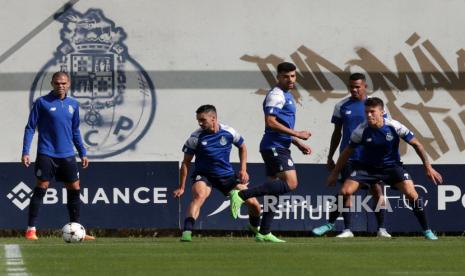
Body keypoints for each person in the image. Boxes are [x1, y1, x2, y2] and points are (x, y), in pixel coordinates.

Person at [322, 97, 443, 240]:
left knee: (412, 194)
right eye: (366, 112)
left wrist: (428, 168)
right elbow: (346, 152)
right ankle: (330, 224)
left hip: (392, 167)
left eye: (372, 112)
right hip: (367, 168)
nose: (368, 115)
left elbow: (417, 145)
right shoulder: (360, 130)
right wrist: (334, 173)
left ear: (382, 112)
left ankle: (427, 230)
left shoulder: (394, 126)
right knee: (344, 191)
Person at [229, 62, 312, 243]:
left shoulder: (287, 95)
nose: (290, 79)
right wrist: (297, 133)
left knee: (274, 191)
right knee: (291, 183)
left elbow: (281, 125)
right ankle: (242, 195)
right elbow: (271, 122)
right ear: (278, 77)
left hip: (278, 145)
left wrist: (296, 142)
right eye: (285, 76)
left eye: (293, 76)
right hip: (274, 147)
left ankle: (264, 231)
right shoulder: (276, 95)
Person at [313, 73, 391, 238]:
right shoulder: (341, 105)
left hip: (372, 157)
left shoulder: (375, 106)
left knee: (376, 189)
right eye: (351, 87)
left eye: (357, 86)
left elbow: (386, 130)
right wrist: (330, 156)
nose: (354, 90)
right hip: (349, 157)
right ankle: (347, 229)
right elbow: (337, 133)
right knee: (347, 192)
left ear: (364, 86)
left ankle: (382, 229)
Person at [21, 71, 94, 241]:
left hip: (67, 155)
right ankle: (31, 230)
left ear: (68, 84)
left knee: (75, 188)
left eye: (64, 83)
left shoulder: (73, 104)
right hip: (47, 153)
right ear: (52, 84)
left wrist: (82, 152)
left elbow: (75, 130)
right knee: (42, 187)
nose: (60, 86)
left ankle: (78, 230)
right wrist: (26, 151)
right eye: (57, 83)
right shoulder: (42, 103)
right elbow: (30, 127)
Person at [173, 104, 261, 242]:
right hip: (204, 175)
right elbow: (186, 162)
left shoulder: (229, 132)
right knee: (199, 196)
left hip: (227, 176)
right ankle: (187, 232)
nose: (200, 123)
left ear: (213, 118)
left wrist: (243, 169)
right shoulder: (195, 137)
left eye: (203, 120)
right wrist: (182, 186)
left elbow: (242, 147)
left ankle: (255, 228)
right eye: (198, 120)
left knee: (255, 205)